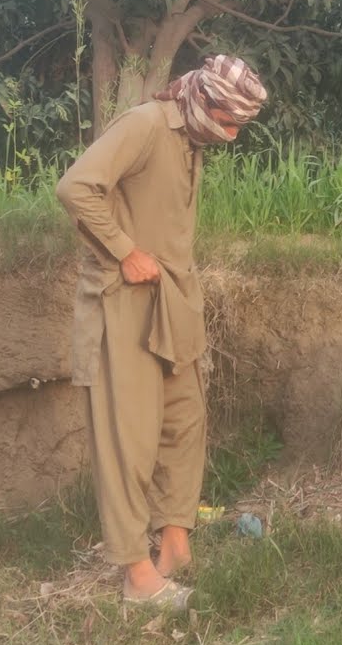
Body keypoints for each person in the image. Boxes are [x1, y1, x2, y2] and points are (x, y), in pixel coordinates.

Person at [56, 55, 268, 607]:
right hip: (123, 302)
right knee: (129, 438)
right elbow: (77, 186)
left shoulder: (191, 139)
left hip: (174, 303)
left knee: (184, 420)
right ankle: (136, 575)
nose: (234, 133)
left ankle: (174, 543)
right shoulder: (145, 124)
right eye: (230, 119)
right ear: (204, 100)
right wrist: (125, 252)